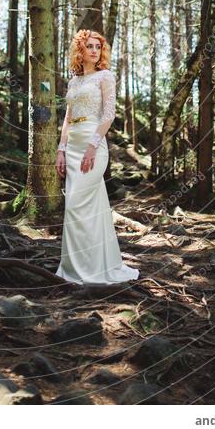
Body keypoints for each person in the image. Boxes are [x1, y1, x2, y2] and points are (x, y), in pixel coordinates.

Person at [55, 29, 140, 285]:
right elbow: (68, 118)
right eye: (89, 46)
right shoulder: (73, 80)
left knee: (77, 205)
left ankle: (91, 270)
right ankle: (75, 268)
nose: (94, 50)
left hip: (94, 146)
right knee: (80, 208)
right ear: (80, 50)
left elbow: (109, 115)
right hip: (72, 148)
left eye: (98, 47)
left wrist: (93, 145)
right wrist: (61, 150)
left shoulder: (105, 76)